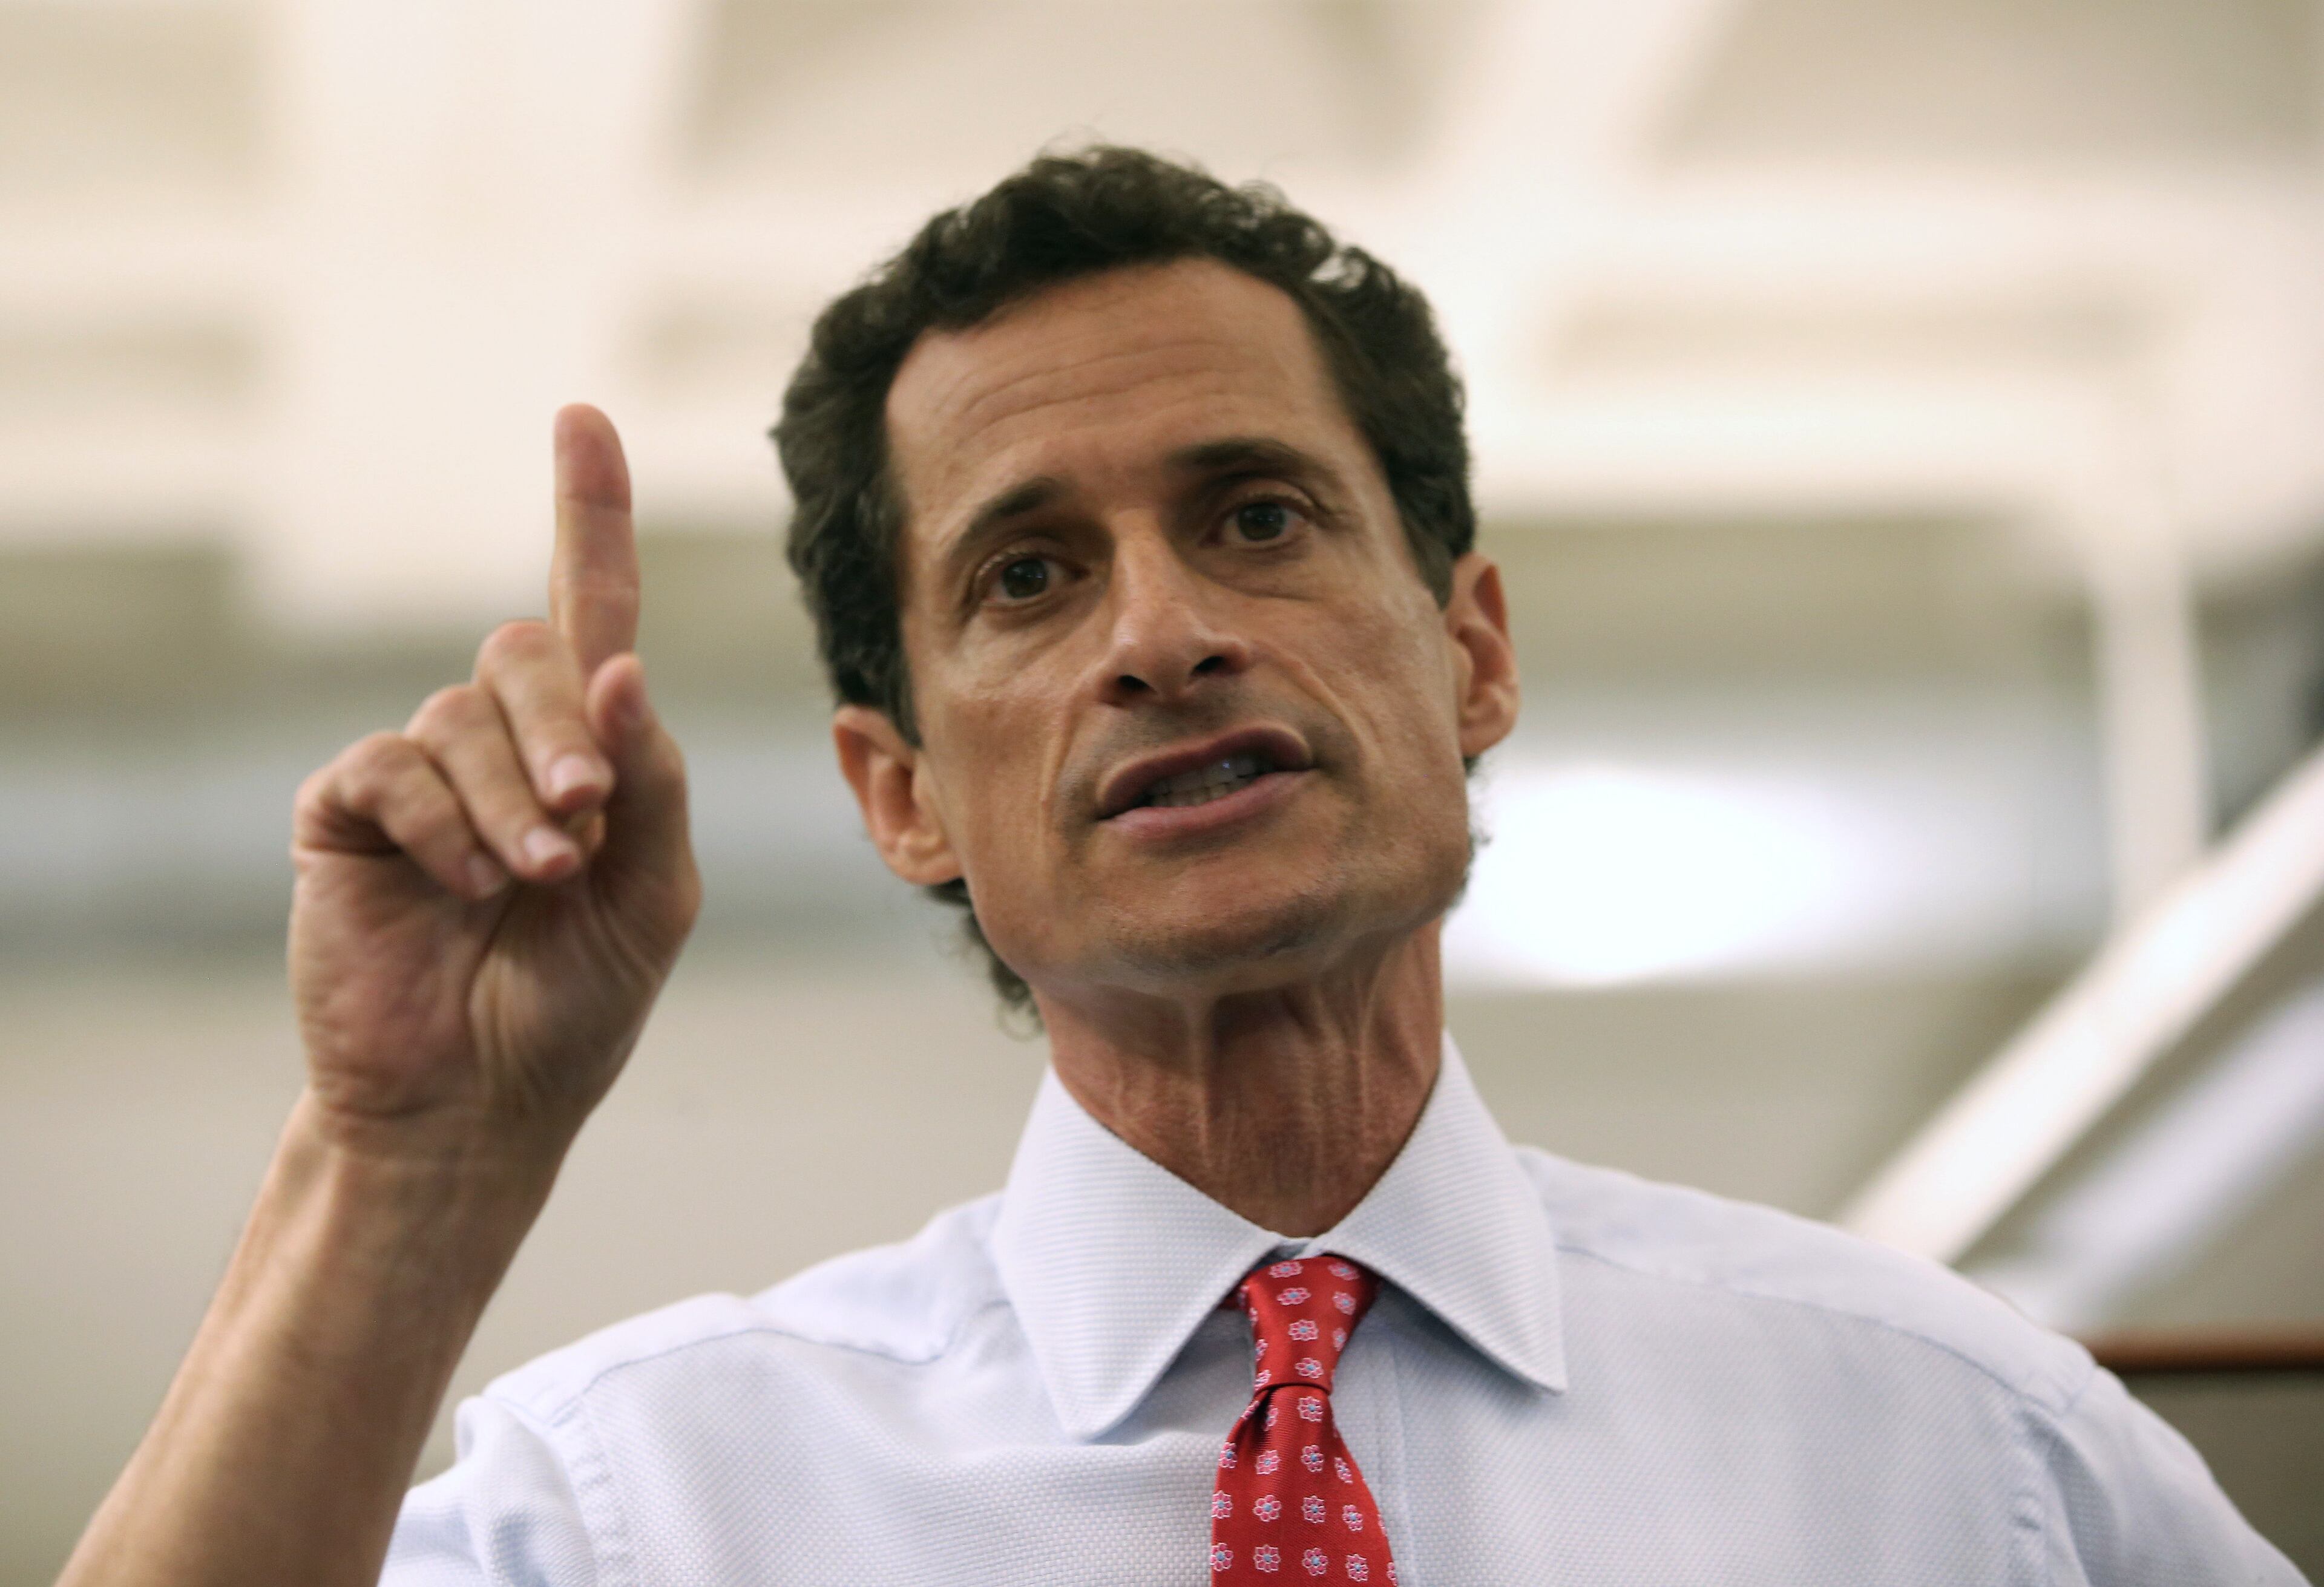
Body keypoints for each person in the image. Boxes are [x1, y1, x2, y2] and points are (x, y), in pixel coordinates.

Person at [59, 147, 2301, 1587]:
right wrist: (412, 1165)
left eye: (1255, 515)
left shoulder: (1962, 1462)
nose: (1161, 633)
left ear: (1471, 652)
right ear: (901, 793)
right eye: (1028, 576)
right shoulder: (655, 1511)